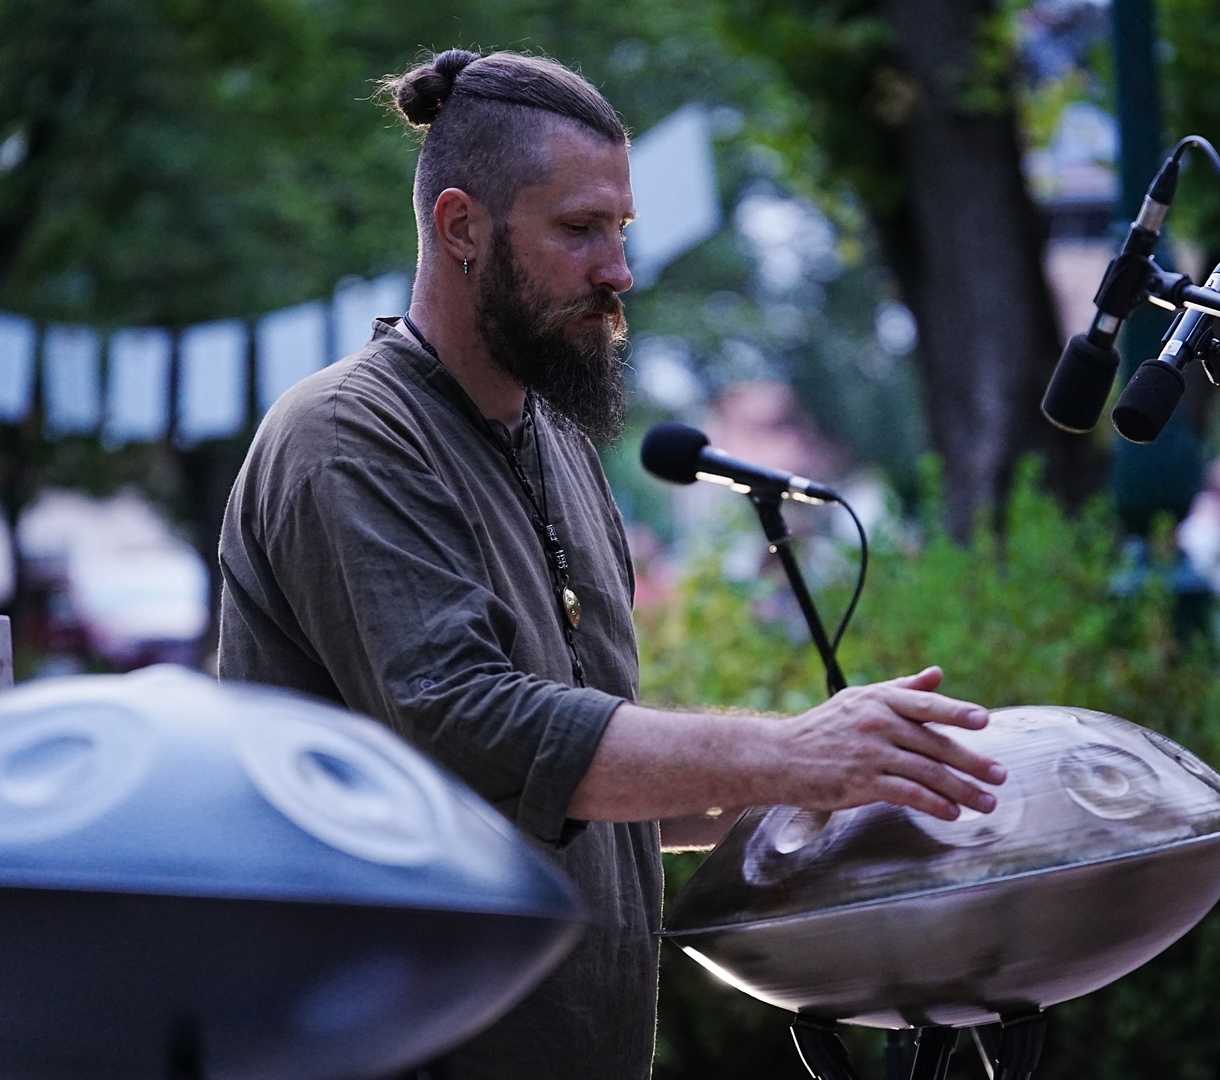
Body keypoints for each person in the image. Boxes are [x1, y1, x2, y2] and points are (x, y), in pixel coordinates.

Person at [217, 48, 1006, 1080]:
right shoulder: (345, 435)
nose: (619, 270)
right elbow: (471, 729)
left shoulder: (557, 441)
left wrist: (848, 785)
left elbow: (580, 780)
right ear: (461, 228)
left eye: (622, 229)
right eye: (580, 229)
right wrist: (788, 753)